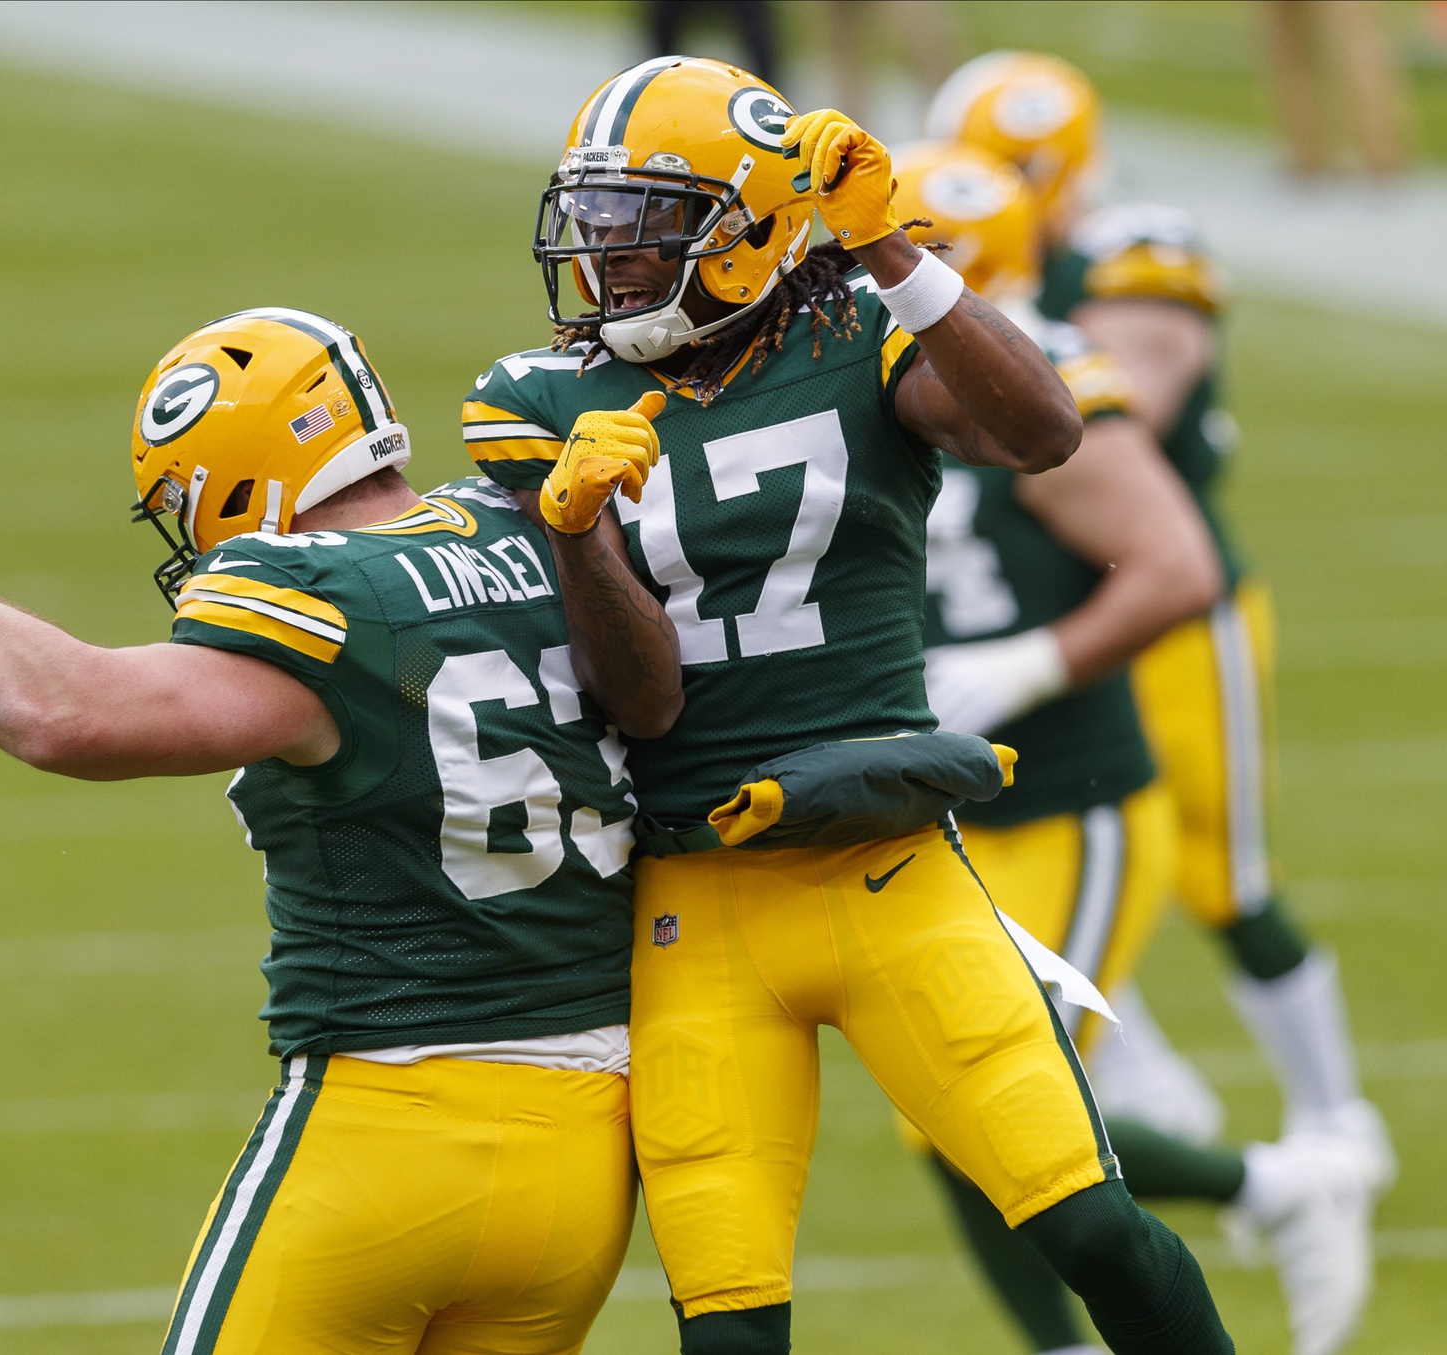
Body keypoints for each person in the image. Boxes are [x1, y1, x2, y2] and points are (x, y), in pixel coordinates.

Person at [0, 307, 684, 1354]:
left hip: (388, 1134)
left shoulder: (322, 595)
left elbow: (60, 712)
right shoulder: (539, 526)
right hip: (585, 1154)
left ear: (230, 473)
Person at [463, 54, 1234, 1355]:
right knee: (730, 1329)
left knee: (1092, 1222)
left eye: (645, 219)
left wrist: (889, 248)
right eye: (592, 218)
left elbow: (1043, 431)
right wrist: (580, 532)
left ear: (753, 224)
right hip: (693, 898)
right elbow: (639, 704)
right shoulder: (538, 400)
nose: (606, 256)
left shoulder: (858, 334)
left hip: (888, 867)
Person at [894, 140, 1376, 1355]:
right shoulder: (862, 384)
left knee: (1010, 1103)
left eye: (908, 253)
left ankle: (1270, 1182)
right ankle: (1103, 1308)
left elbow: (1176, 564)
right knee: (947, 1118)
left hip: (1074, 798)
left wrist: (1026, 662)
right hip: (953, 812)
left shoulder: (1043, 379)